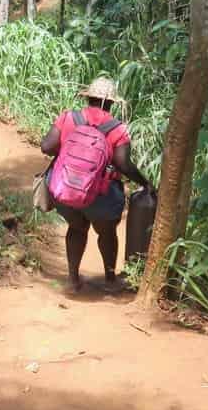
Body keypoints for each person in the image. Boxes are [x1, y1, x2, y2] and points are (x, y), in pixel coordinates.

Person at [41, 76, 151, 293]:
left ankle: (72, 280)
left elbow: (47, 147)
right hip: (101, 196)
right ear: (111, 103)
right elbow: (123, 165)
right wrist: (145, 183)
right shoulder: (117, 129)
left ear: (88, 97)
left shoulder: (68, 117)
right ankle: (110, 280)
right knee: (107, 233)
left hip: (65, 191)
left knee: (76, 227)